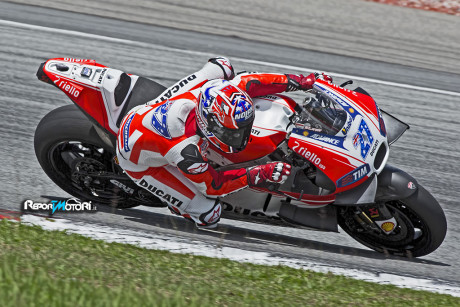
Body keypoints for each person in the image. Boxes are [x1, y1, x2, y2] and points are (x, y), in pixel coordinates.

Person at [116, 57, 329, 228]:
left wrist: (305, 81)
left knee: (222, 65)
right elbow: (213, 185)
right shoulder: (186, 151)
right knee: (209, 214)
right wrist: (258, 174)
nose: (242, 137)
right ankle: (179, 205)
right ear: (210, 125)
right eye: (233, 132)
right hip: (137, 159)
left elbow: (254, 81)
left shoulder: (218, 92)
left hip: (157, 109)